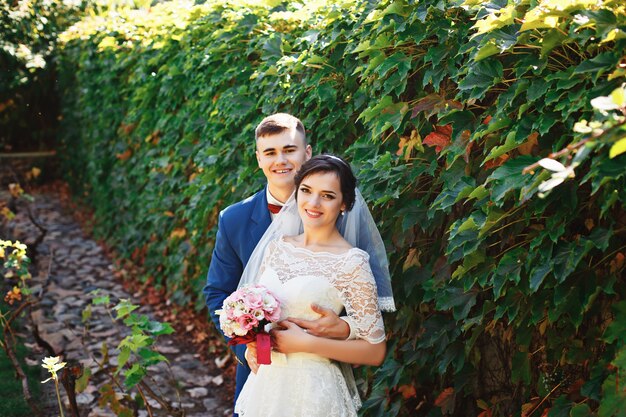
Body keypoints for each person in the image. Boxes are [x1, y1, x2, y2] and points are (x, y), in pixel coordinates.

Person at [203, 114, 354, 411]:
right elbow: (217, 293)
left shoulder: (342, 216)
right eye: (270, 152)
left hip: (319, 373)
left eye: (289, 150)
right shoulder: (234, 220)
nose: (280, 160)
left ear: (307, 153)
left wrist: (343, 326)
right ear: (259, 159)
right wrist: (245, 343)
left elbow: (364, 301)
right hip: (259, 373)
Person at [233, 155, 394, 417]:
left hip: (314, 392)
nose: (313, 203)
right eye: (306, 191)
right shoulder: (278, 247)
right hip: (268, 385)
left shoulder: (351, 262)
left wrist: (305, 344)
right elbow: (265, 317)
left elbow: (374, 351)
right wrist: (255, 343)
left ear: (344, 203)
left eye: (327, 196)